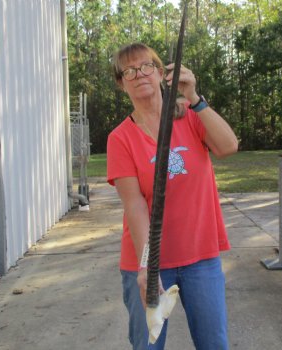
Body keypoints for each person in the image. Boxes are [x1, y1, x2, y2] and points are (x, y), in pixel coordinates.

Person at [107, 42, 238, 350]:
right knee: (148, 346)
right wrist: (145, 267)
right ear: (121, 82)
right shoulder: (120, 138)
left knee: (214, 344)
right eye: (129, 70)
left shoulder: (190, 117)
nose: (139, 74)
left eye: (146, 66)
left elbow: (228, 146)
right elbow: (135, 205)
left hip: (200, 257)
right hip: (150, 263)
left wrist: (194, 98)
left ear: (161, 73)